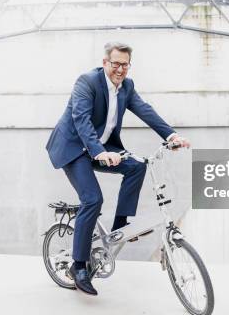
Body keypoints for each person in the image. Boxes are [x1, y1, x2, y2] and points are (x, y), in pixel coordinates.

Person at [45, 42, 190, 295]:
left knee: (135, 167)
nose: (120, 70)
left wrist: (171, 136)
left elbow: (146, 111)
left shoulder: (127, 87)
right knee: (92, 199)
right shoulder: (86, 82)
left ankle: (119, 227)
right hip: (73, 148)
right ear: (105, 63)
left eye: (125, 65)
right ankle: (78, 267)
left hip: (100, 148)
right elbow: (81, 120)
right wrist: (99, 152)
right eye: (115, 64)